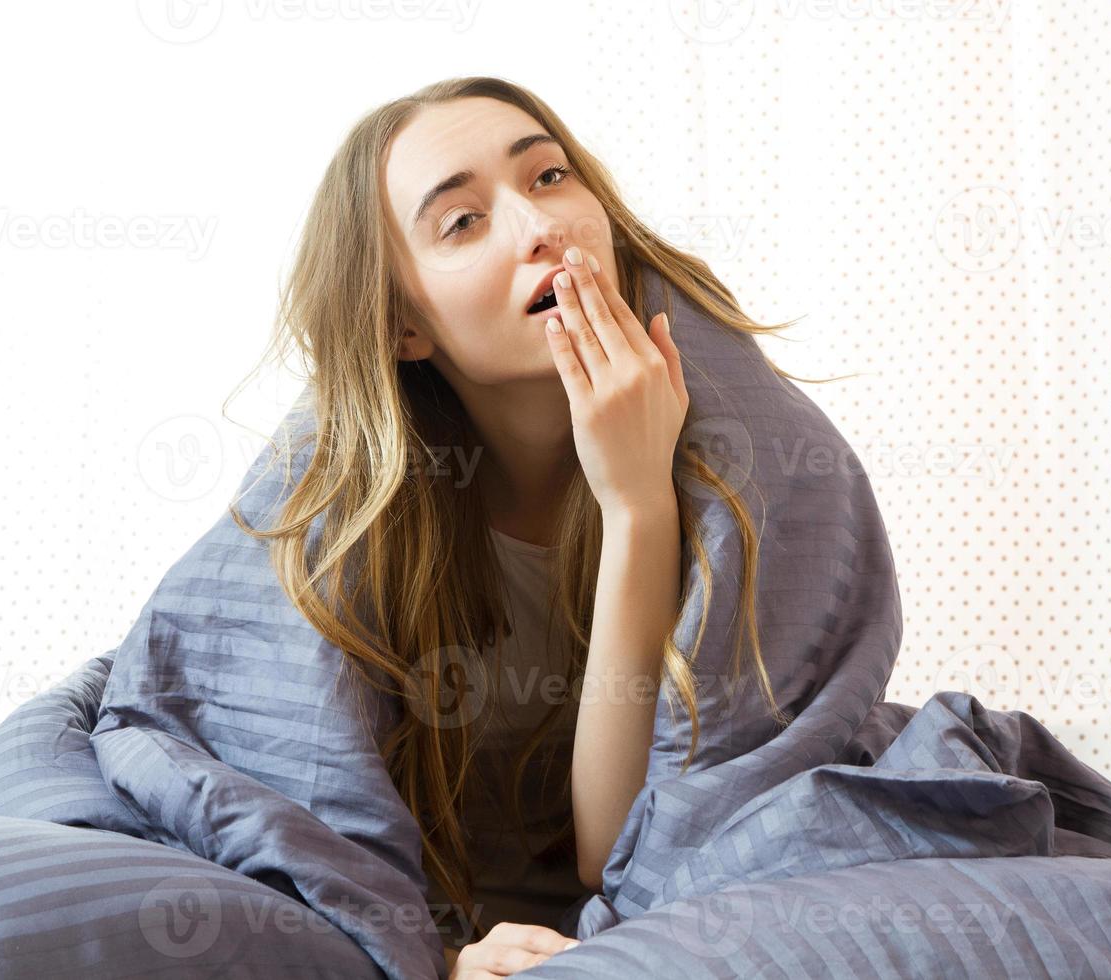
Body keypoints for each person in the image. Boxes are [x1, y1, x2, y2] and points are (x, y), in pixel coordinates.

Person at [229, 75, 817, 978]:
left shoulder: (734, 432)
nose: (541, 227)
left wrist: (636, 504)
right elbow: (286, 805)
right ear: (401, 324)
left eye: (548, 177)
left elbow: (631, 850)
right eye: (461, 221)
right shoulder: (340, 497)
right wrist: (438, 959)